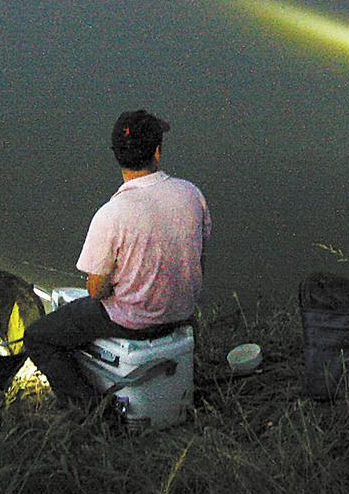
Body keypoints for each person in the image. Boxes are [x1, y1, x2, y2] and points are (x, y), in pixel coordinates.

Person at [24, 110, 210, 407]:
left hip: (131, 321)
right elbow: (198, 258)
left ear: (116, 156)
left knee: (38, 338)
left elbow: (96, 290)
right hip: (183, 312)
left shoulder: (111, 214)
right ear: (157, 153)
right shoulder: (191, 194)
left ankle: (90, 409)